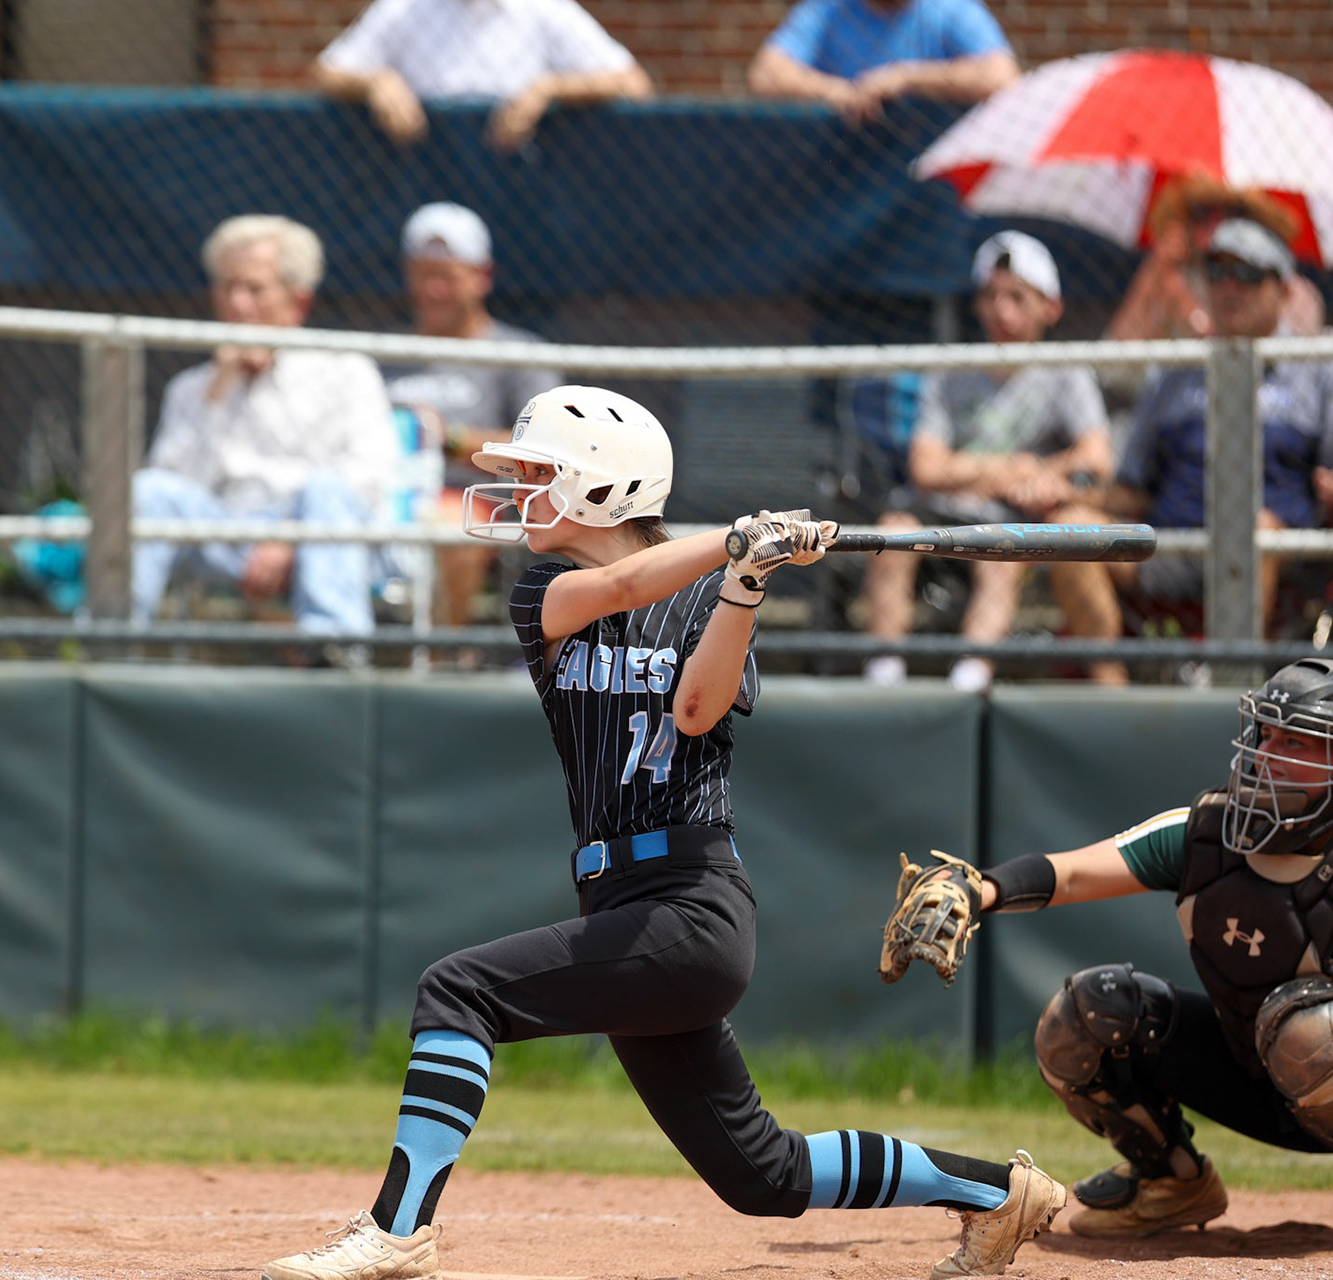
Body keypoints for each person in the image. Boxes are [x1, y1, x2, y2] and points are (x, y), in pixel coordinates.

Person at [261, 385, 1067, 1280]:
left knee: (458, 991)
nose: (519, 491)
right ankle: (998, 1192)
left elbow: (695, 710)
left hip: (691, 907)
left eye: (538, 474)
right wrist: (737, 541)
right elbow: (620, 585)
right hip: (618, 904)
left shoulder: (710, 601)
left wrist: (745, 582)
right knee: (762, 1174)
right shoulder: (543, 594)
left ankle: (398, 1229)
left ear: (603, 487)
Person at [886, 657, 1333, 1237]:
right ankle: (1173, 1182)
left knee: (1310, 1030)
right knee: (1089, 1011)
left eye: (1294, 741)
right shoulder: (1208, 835)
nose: (1266, 754)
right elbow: (1071, 874)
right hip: (1249, 1072)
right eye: (1264, 735)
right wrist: (976, 890)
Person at [1052, 218, 1333, 682]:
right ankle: (1111, 699)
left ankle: (1232, 688)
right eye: (1216, 272)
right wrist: (1068, 495)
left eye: (1247, 274)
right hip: (1174, 544)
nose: (1228, 288)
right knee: (1068, 528)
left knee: (1257, 528)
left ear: (1283, 290)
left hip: (1277, 556)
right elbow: (1134, 489)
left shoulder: (1316, 369)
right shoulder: (1174, 370)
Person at [863, 231, 1113, 691]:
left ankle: (970, 682)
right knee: (892, 532)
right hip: (941, 515)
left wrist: (1040, 476)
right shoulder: (952, 369)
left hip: (1008, 522)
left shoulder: (1067, 371)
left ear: (1050, 307)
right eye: (990, 296)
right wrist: (1008, 471)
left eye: (1017, 297)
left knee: (1000, 556)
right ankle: (884, 678)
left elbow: (1097, 457)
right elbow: (926, 468)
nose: (1001, 312)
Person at [134, 215, 398, 640]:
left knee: (326, 491)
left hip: (325, 536)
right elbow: (176, 491)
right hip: (232, 536)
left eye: (254, 289)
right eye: (227, 288)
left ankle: (333, 652)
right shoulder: (191, 388)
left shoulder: (347, 371)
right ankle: (110, 641)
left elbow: (369, 478)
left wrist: (291, 537)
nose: (237, 304)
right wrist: (217, 396)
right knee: (148, 490)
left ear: (299, 301)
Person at [380, 202, 562, 629]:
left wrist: (448, 439)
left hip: (481, 499)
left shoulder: (520, 353)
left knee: (450, 526)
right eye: (422, 274)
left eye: (446, 276)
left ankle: (439, 655)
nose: (433, 290)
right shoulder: (383, 355)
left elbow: (550, 446)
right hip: (384, 495)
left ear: (482, 276)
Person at [312, 0, 652, 152]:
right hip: (421, 178)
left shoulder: (544, 8)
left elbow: (633, 83)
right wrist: (375, 82)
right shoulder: (403, 7)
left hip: (520, 183)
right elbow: (326, 72)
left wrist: (550, 89)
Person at [1105, 178, 1325, 344]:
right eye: (1202, 212)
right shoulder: (1168, 276)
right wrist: (1158, 270)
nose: (1216, 223)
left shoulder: (1284, 286)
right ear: (1187, 223)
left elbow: (1297, 369)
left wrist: (1195, 316)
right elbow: (1117, 365)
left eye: (1232, 211)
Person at [747, 0, 1019, 125]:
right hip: (843, 170)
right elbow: (766, 75)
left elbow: (1002, 77)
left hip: (930, 178)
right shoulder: (828, 9)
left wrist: (906, 78)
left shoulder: (951, 7)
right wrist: (840, 92)